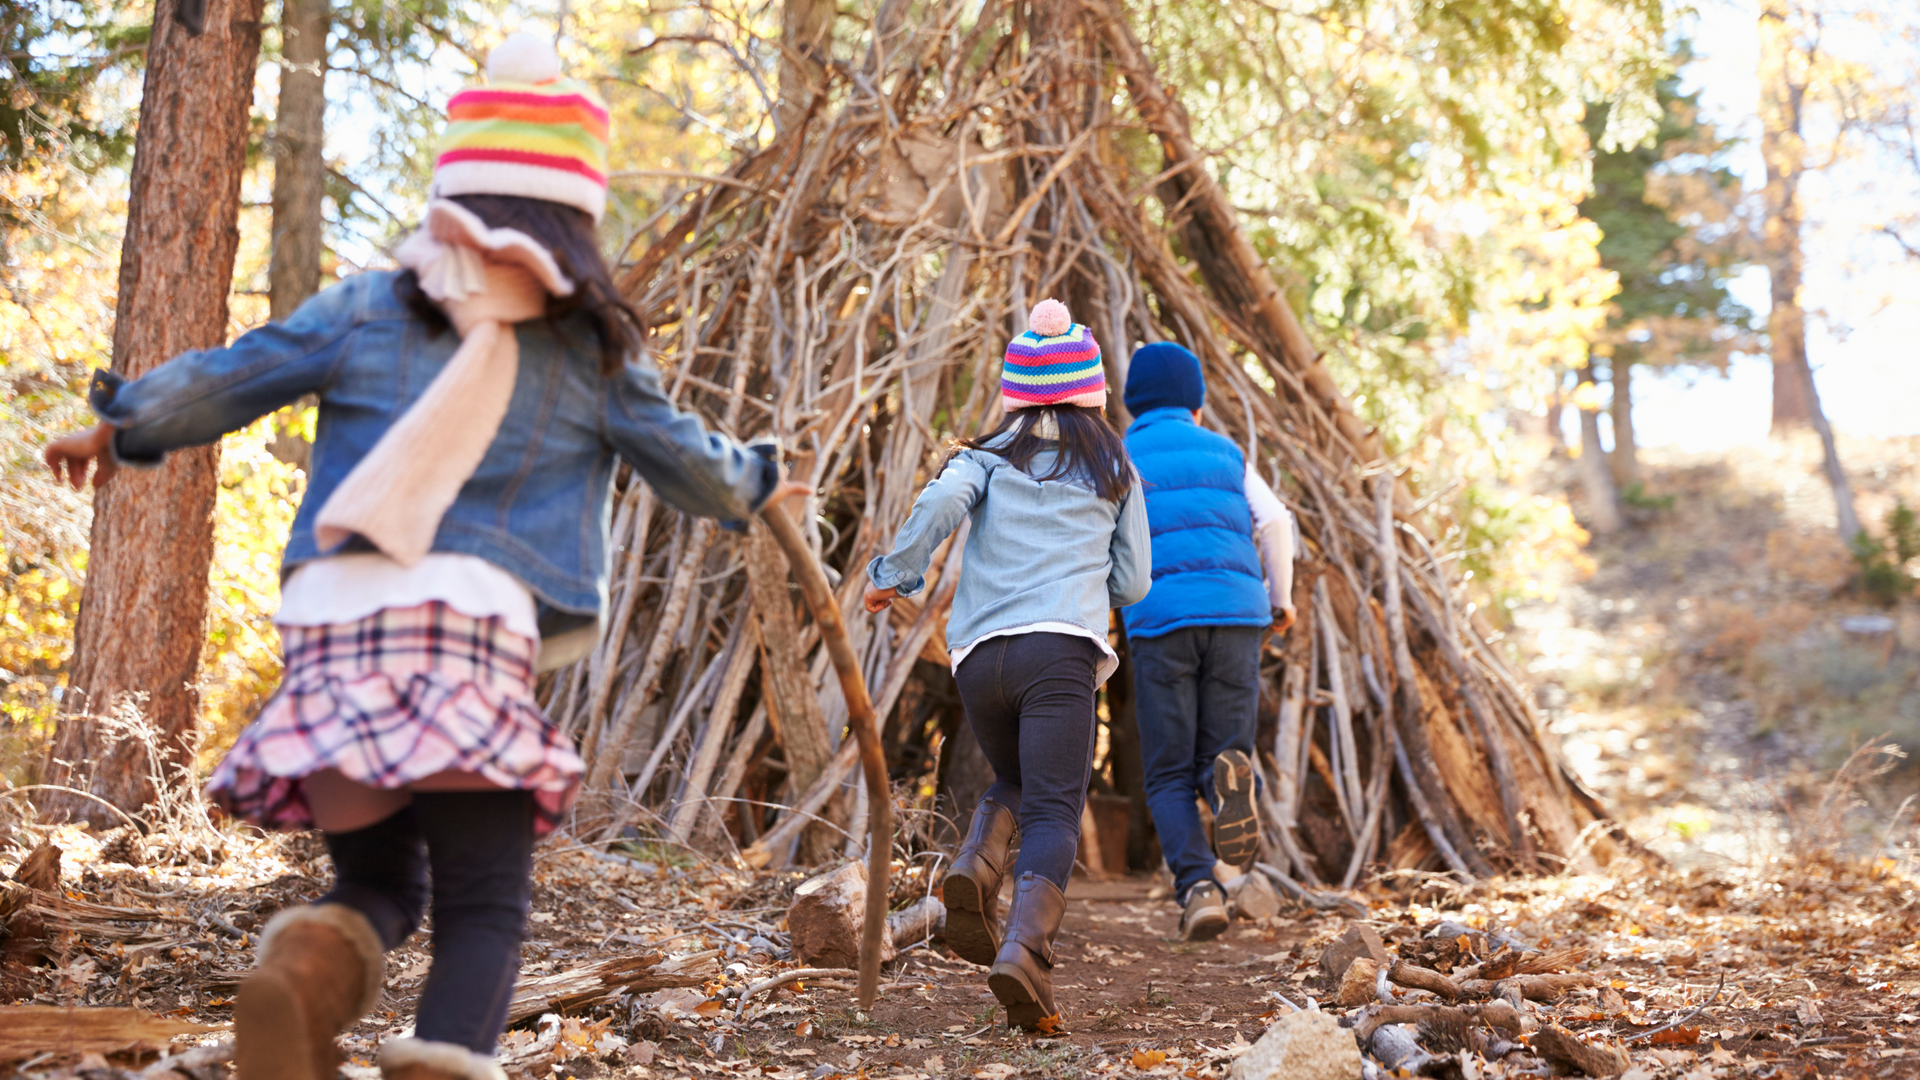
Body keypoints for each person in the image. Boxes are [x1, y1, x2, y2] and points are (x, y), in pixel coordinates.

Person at [44, 34, 804, 1080]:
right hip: (466, 632)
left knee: (379, 887)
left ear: (453, 191)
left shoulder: (367, 306)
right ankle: (441, 1061)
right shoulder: (590, 349)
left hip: (334, 629)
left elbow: (236, 373)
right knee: (483, 899)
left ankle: (301, 983)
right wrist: (762, 481)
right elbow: (692, 468)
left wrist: (119, 427)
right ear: (573, 217)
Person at [863, 299, 1149, 1032]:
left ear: (1016, 394)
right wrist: (1093, 587)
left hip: (977, 657)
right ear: (1091, 393)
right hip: (1059, 652)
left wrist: (893, 575)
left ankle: (975, 867)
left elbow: (939, 505)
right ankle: (1025, 952)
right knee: (1055, 805)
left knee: (1018, 781)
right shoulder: (1115, 464)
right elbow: (1135, 583)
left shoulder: (985, 457)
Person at [1119, 341, 1297, 943]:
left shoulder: (1122, 456)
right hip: (1237, 616)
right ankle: (1227, 784)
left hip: (1161, 619)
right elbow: (1274, 521)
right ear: (1196, 402)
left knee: (1167, 772)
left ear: (1132, 402)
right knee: (1222, 752)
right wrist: (1280, 598)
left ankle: (1197, 888)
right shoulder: (1226, 452)